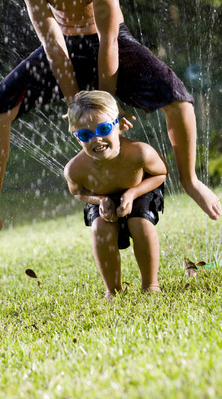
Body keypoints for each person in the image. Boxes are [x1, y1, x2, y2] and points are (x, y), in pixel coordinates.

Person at [0, 0, 221, 251]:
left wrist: (106, 104)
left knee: (177, 95)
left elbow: (109, 37)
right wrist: (74, 103)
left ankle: (190, 180)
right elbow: (53, 45)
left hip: (109, 41)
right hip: (65, 48)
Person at [64, 90, 167, 297]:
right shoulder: (75, 169)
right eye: (85, 134)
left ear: (120, 126)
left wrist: (133, 193)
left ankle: (151, 285)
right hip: (102, 197)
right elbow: (78, 193)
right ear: (78, 139)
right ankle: (113, 290)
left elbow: (161, 174)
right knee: (100, 228)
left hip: (139, 190)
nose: (97, 139)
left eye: (103, 128)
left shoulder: (140, 152)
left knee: (140, 223)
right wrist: (100, 200)